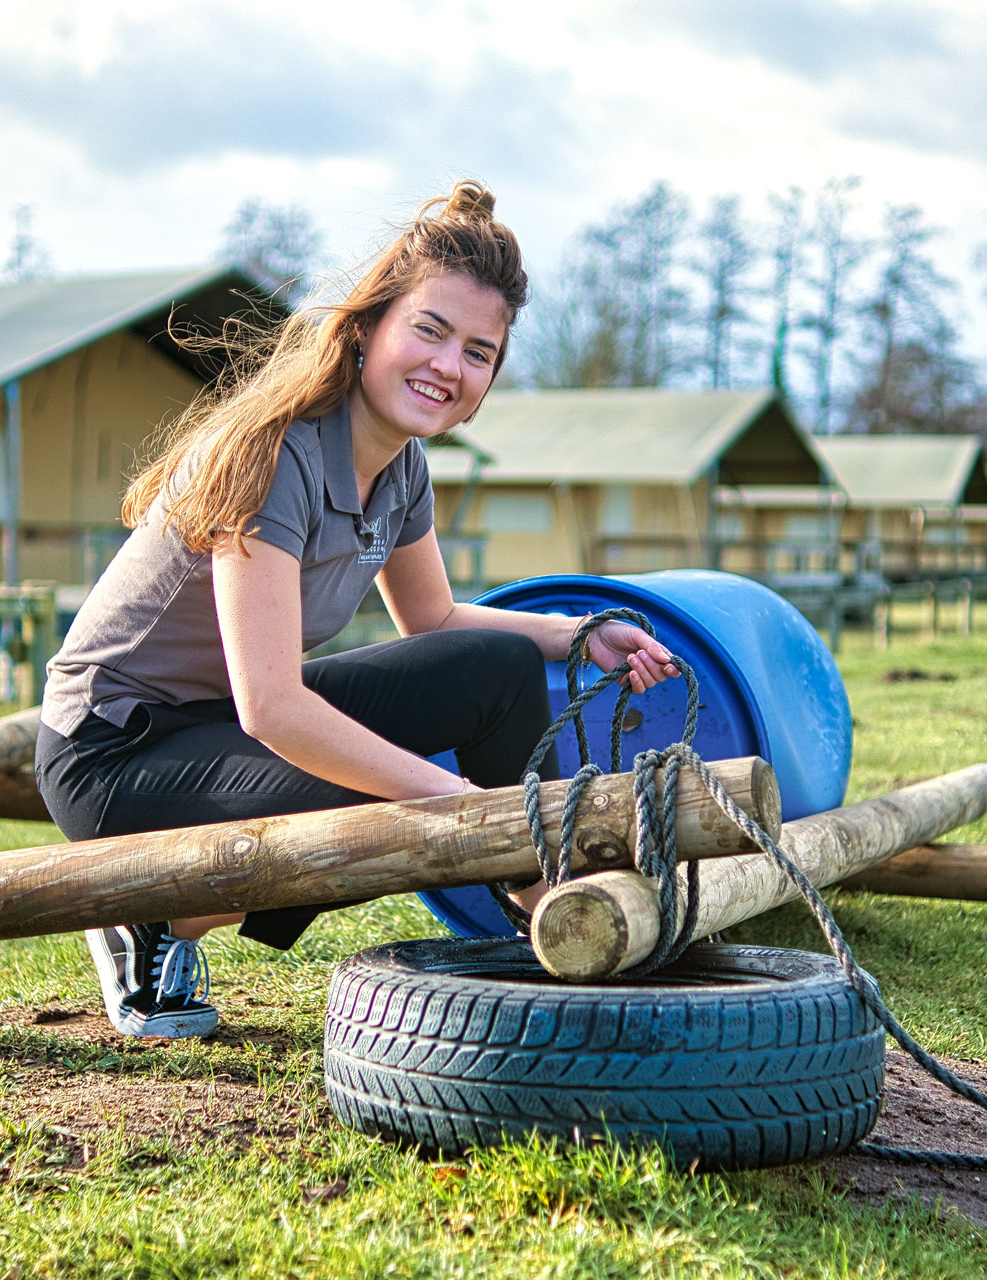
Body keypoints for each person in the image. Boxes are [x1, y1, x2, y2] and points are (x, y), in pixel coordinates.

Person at [35, 181, 679, 1040]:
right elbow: (273, 708)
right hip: (113, 753)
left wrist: (578, 636)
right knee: (375, 794)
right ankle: (152, 916)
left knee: (495, 667)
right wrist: (455, 801)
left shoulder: (401, 467)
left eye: (479, 352)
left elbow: (436, 624)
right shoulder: (272, 455)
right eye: (430, 330)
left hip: (215, 723)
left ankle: (555, 904)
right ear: (369, 325)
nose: (449, 367)